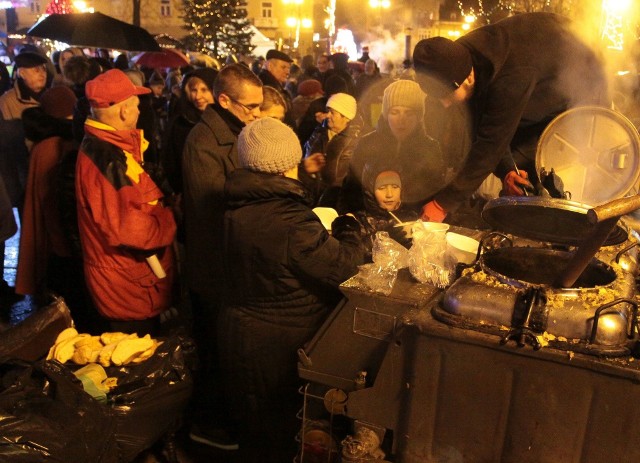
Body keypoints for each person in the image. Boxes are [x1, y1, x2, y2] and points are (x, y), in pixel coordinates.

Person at [220, 117, 367, 462]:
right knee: (279, 431)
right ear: (288, 162)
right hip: (278, 342)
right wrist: (349, 228)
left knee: (255, 429)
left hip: (242, 332)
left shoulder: (236, 203)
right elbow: (345, 268)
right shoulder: (289, 221)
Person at [412, 12, 610, 222]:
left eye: (447, 96)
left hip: (577, 93)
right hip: (537, 83)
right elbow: (483, 124)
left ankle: (565, 228)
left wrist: (442, 204)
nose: (445, 103)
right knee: (518, 174)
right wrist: (507, 170)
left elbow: (490, 143)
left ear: (468, 77)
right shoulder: (458, 60)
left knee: (551, 178)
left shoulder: (510, 79)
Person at [182, 62, 262, 450]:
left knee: (228, 349)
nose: (256, 115)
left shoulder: (236, 130)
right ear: (225, 99)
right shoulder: (204, 142)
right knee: (214, 350)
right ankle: (206, 425)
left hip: (231, 263)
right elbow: (211, 207)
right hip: (214, 265)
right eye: (251, 107)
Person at [75, 69, 177, 336]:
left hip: (130, 280)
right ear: (122, 112)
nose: (139, 111)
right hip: (127, 286)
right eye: (135, 105)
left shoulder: (108, 148)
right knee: (136, 365)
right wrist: (170, 219)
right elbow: (129, 227)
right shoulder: (106, 159)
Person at [338, 79, 445, 215]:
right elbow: (350, 190)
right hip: (370, 222)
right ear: (385, 114)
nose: (402, 120)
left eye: (409, 113)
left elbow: (435, 193)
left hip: (413, 225)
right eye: (395, 112)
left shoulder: (430, 148)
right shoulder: (367, 143)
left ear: (419, 116)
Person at [161, 67, 217, 196]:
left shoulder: (225, 120)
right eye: (193, 90)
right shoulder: (181, 122)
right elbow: (171, 162)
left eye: (204, 90)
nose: (198, 96)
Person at [301, 92, 360, 207]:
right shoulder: (319, 132)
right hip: (309, 198)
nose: (327, 115)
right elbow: (305, 154)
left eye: (332, 113)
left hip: (335, 203)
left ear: (346, 117)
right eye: (328, 111)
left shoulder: (355, 140)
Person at [353, 164, 418, 254]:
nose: (389, 194)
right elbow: (350, 256)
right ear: (370, 193)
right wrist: (383, 238)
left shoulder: (411, 217)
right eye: (382, 188)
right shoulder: (358, 221)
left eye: (395, 187)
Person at [258, 49, 295, 126]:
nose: (287, 72)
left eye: (288, 68)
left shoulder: (275, 85)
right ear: (270, 66)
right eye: (283, 67)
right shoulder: (267, 86)